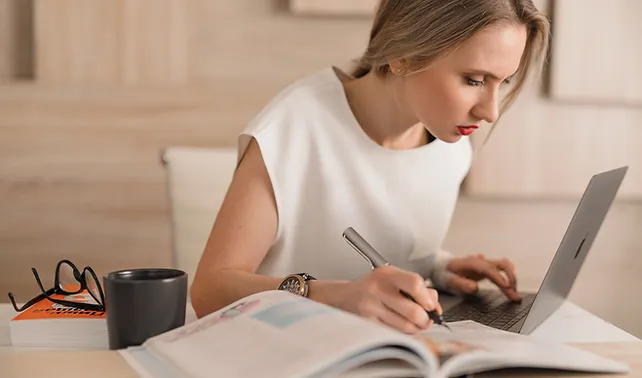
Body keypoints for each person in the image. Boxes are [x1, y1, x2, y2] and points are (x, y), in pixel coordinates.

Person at [190, 0, 550, 335]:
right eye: (474, 80)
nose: (490, 112)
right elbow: (210, 291)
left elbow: (385, 258)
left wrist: (439, 268)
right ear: (402, 56)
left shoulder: (451, 147)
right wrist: (337, 296)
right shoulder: (293, 127)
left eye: (502, 82)